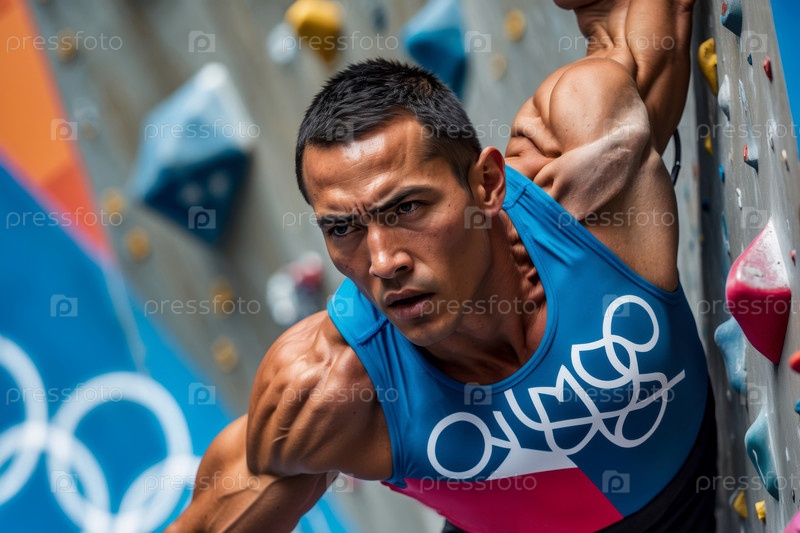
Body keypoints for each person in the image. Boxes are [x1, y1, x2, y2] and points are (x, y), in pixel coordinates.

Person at [169, 0, 716, 531]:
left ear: (487, 184)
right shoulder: (330, 388)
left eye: (407, 208)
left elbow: (640, 22)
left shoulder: (587, 171)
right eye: (342, 228)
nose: (383, 262)